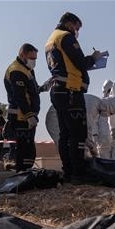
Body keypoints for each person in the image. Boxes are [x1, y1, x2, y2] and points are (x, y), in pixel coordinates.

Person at [46, 12, 105, 182]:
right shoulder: (66, 37)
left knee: (65, 135)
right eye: (77, 28)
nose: (77, 32)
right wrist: (94, 58)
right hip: (70, 90)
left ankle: (69, 171)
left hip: (58, 91)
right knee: (77, 134)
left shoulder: (51, 39)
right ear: (70, 24)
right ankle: (79, 173)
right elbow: (80, 62)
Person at [5, 43, 45, 172]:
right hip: (20, 115)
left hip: (27, 115)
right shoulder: (16, 70)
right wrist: (29, 116)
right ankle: (21, 174)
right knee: (24, 148)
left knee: (28, 148)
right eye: (31, 58)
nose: (33, 61)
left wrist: (42, 88)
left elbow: (30, 91)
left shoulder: (27, 69)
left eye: (35, 59)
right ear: (22, 55)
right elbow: (20, 96)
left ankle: (25, 171)